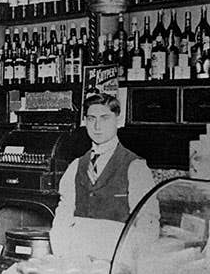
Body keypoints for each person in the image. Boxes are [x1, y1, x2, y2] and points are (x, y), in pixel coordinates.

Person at [50, 93, 159, 260]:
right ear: (85, 121)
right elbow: (63, 216)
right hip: (77, 259)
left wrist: (132, 264)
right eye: (91, 119)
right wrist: (62, 255)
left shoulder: (135, 167)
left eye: (105, 118)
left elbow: (147, 222)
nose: (97, 126)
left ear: (117, 119)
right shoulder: (76, 166)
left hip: (117, 260)